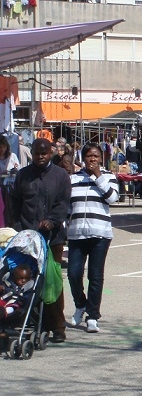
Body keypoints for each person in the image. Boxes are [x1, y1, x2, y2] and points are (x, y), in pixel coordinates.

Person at [11, 138, 71, 343]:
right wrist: (18, 230)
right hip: (27, 239)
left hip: (52, 239)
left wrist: (52, 222)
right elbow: (15, 204)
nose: (40, 157)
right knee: (26, 280)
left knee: (51, 282)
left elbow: (63, 205)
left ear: (51, 152)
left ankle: (57, 326)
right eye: (37, 153)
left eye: (44, 153)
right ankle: (33, 321)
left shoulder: (61, 176)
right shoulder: (23, 175)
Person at [67, 143, 119, 334]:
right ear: (83, 158)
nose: (92, 159)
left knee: (95, 276)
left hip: (100, 234)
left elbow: (112, 198)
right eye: (89, 156)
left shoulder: (109, 177)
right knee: (73, 273)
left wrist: (98, 176)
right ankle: (80, 304)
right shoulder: (73, 179)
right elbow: (68, 206)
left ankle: (92, 316)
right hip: (77, 234)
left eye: (96, 156)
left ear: (101, 158)